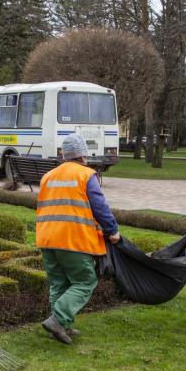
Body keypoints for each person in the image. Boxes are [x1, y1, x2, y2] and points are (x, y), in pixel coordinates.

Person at [36, 133, 121, 345]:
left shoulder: (48, 176)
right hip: (73, 239)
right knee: (85, 281)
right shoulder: (85, 175)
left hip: (47, 237)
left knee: (59, 283)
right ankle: (58, 320)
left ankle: (60, 325)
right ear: (83, 155)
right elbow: (99, 207)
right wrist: (112, 230)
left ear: (64, 156)